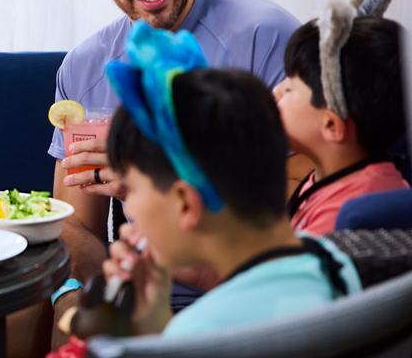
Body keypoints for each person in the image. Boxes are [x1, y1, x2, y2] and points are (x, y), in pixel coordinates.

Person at [48, 0, 302, 341]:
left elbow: (301, 211)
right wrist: (80, 291)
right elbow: (76, 230)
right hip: (141, 295)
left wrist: (151, 184)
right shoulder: (84, 67)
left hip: (252, 296)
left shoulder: (267, 37)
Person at [99, 22, 360, 337]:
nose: (131, 213)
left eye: (132, 188)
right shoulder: (337, 262)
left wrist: (148, 337)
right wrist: (157, 321)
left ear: (185, 203)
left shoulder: (198, 333)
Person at [274, 0, 408, 236]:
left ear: (331, 125)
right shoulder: (326, 176)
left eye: (290, 87)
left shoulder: (346, 217)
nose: (276, 90)